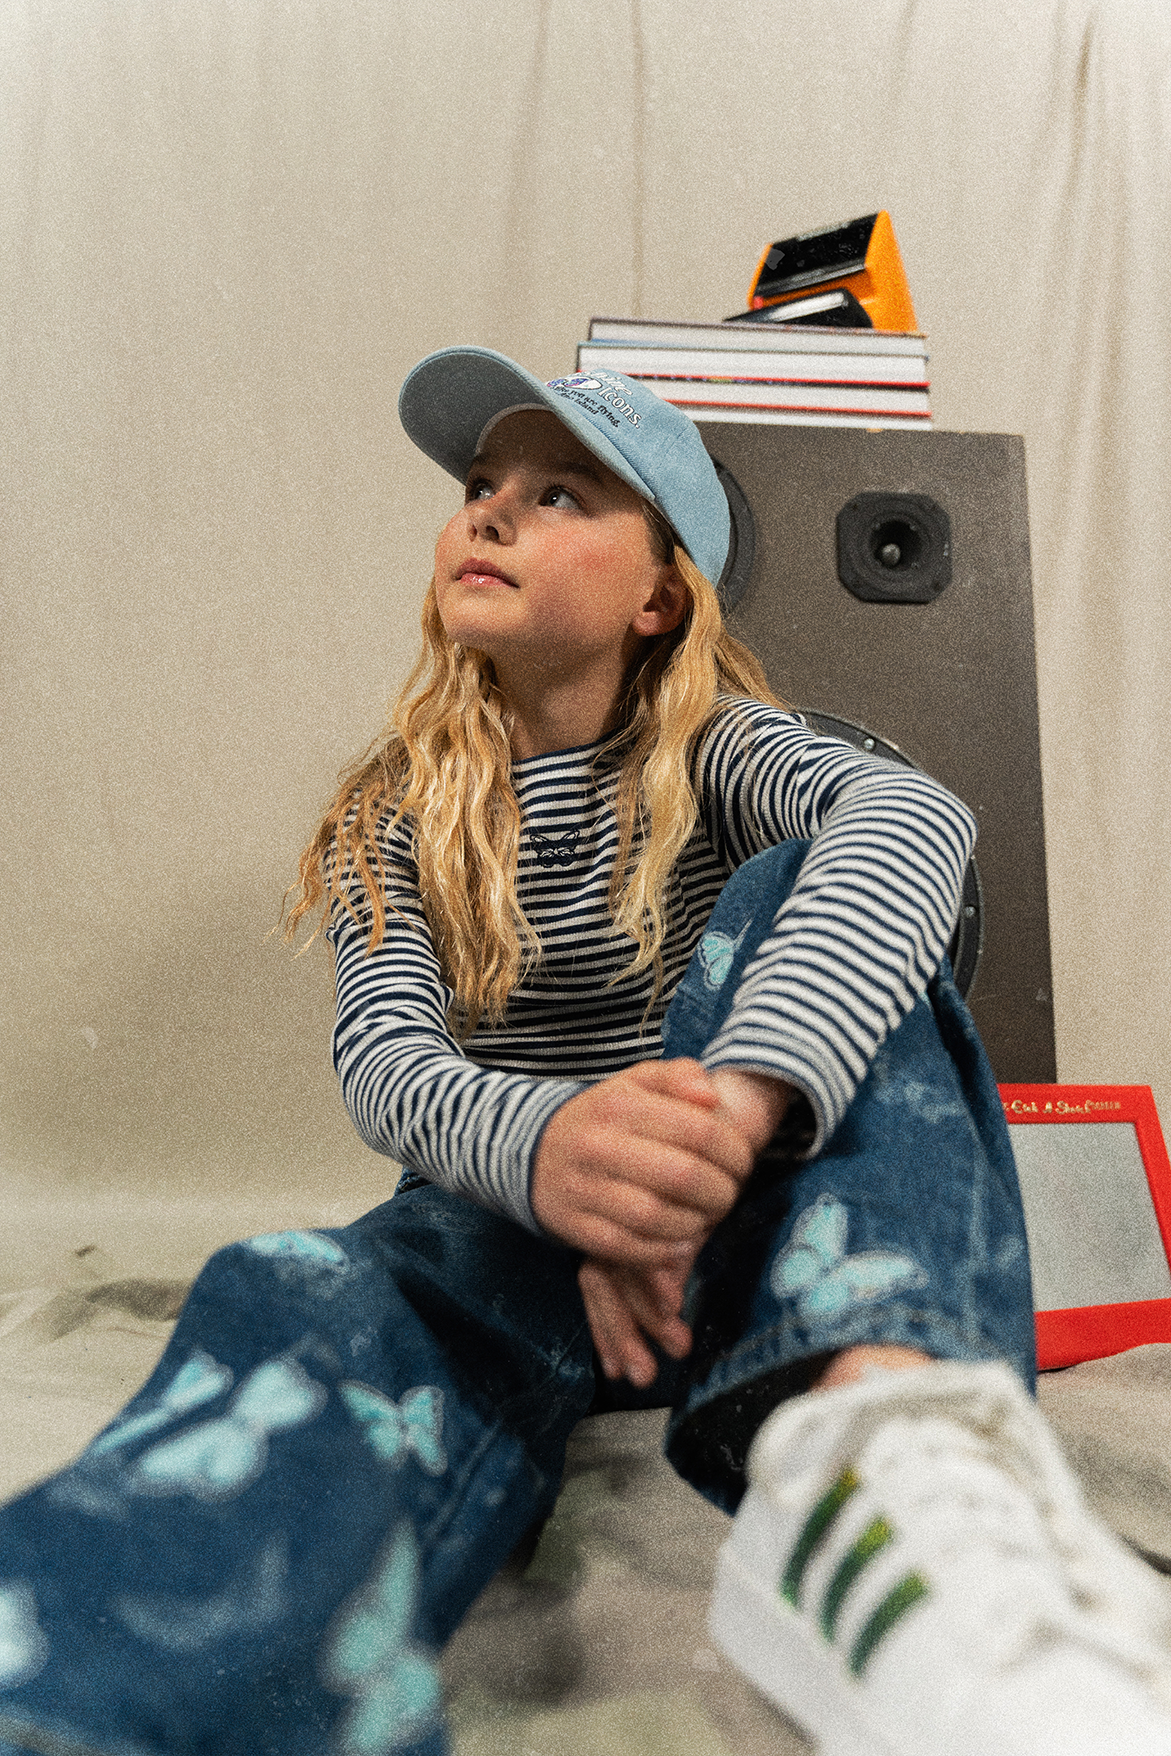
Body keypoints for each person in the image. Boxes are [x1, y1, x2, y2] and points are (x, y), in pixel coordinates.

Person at [1, 349, 1170, 1756]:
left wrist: (719, 1125)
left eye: (559, 494)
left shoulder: (723, 749)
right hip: (516, 1228)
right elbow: (386, 1058)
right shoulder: (399, 807)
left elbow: (915, 822)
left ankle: (894, 1485)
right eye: (481, 486)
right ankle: (97, 1680)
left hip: (764, 1239)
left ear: (658, 595)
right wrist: (557, 1158)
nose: (491, 512)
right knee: (319, 1290)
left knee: (816, 906)